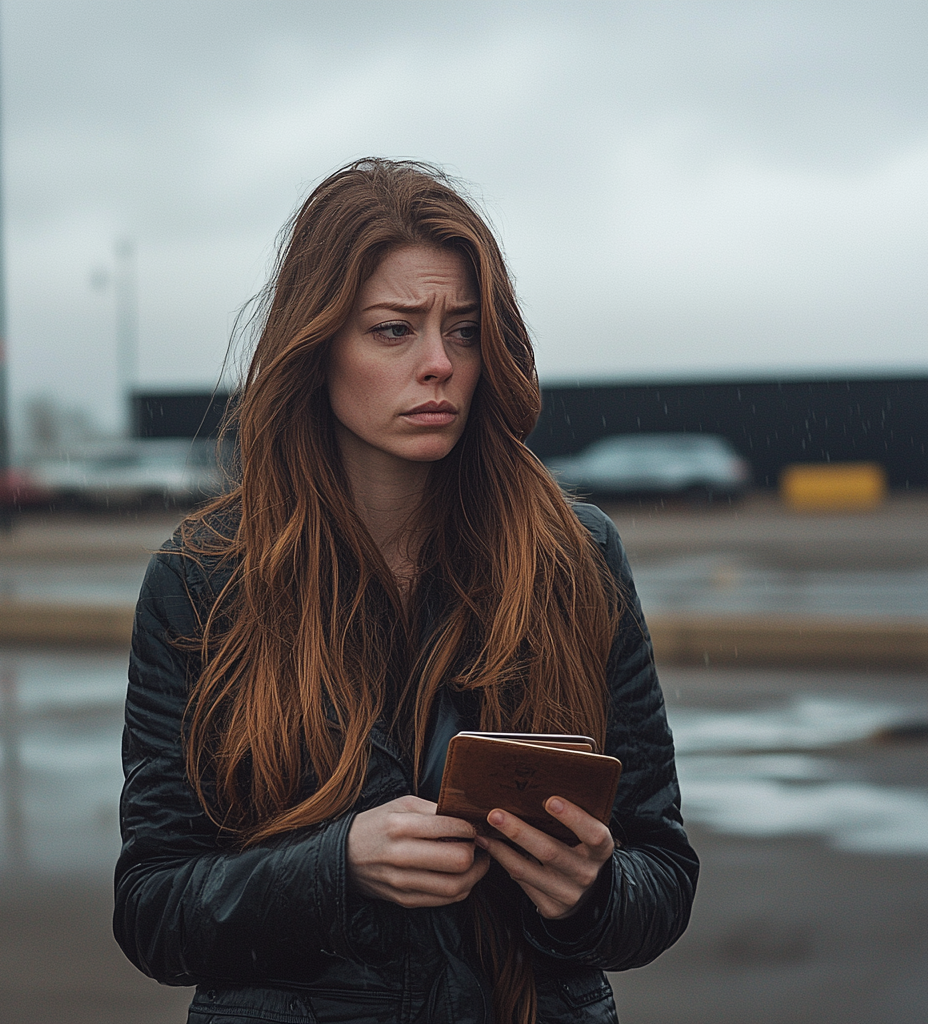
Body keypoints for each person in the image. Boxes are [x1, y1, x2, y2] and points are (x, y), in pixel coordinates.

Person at [114, 158, 698, 1024]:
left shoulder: (575, 555)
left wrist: (593, 890)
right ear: (317, 348)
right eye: (394, 330)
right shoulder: (203, 578)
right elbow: (154, 911)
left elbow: (664, 874)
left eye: (463, 330)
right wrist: (335, 868)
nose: (439, 365)